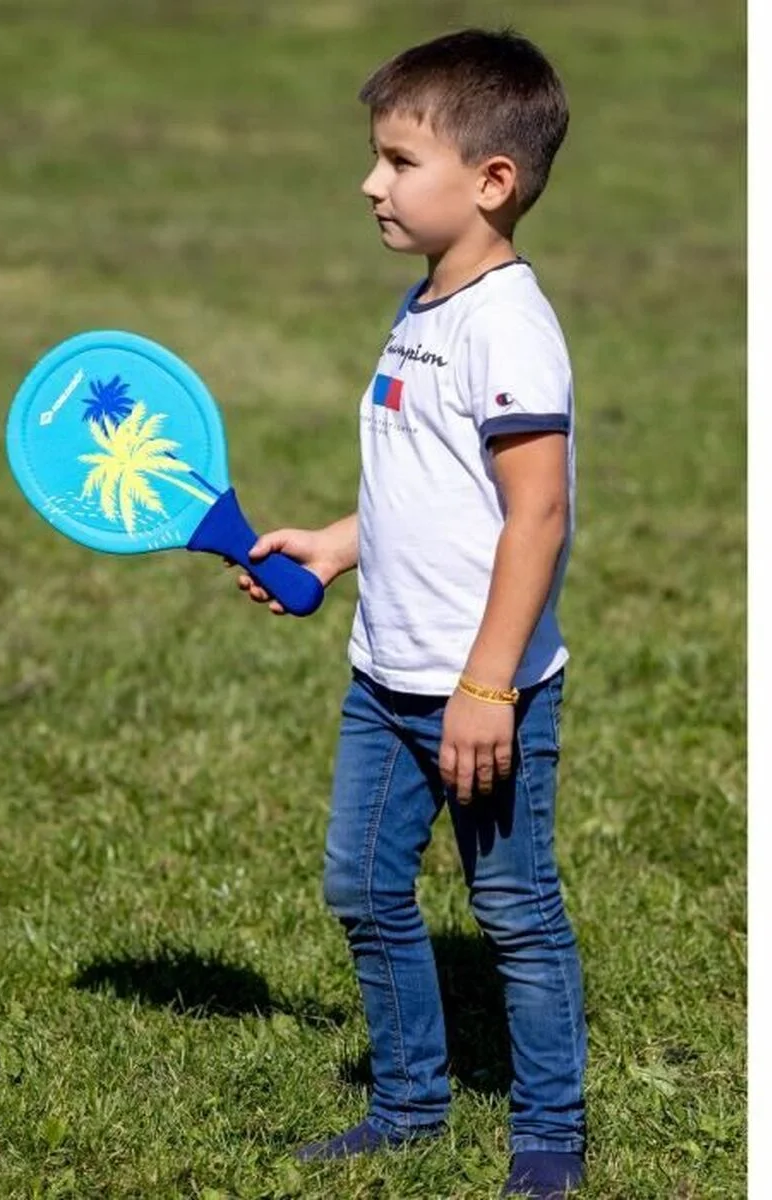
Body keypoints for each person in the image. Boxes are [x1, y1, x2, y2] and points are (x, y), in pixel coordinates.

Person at [232, 27, 586, 1200]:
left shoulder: (505, 324)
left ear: (492, 181)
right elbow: (428, 482)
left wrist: (488, 685)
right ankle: (409, 1108)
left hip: (482, 694)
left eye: (397, 160)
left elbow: (534, 517)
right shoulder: (425, 303)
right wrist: (339, 547)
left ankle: (549, 1136)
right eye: (374, 158)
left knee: (515, 911)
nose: (370, 182)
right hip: (384, 680)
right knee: (366, 890)